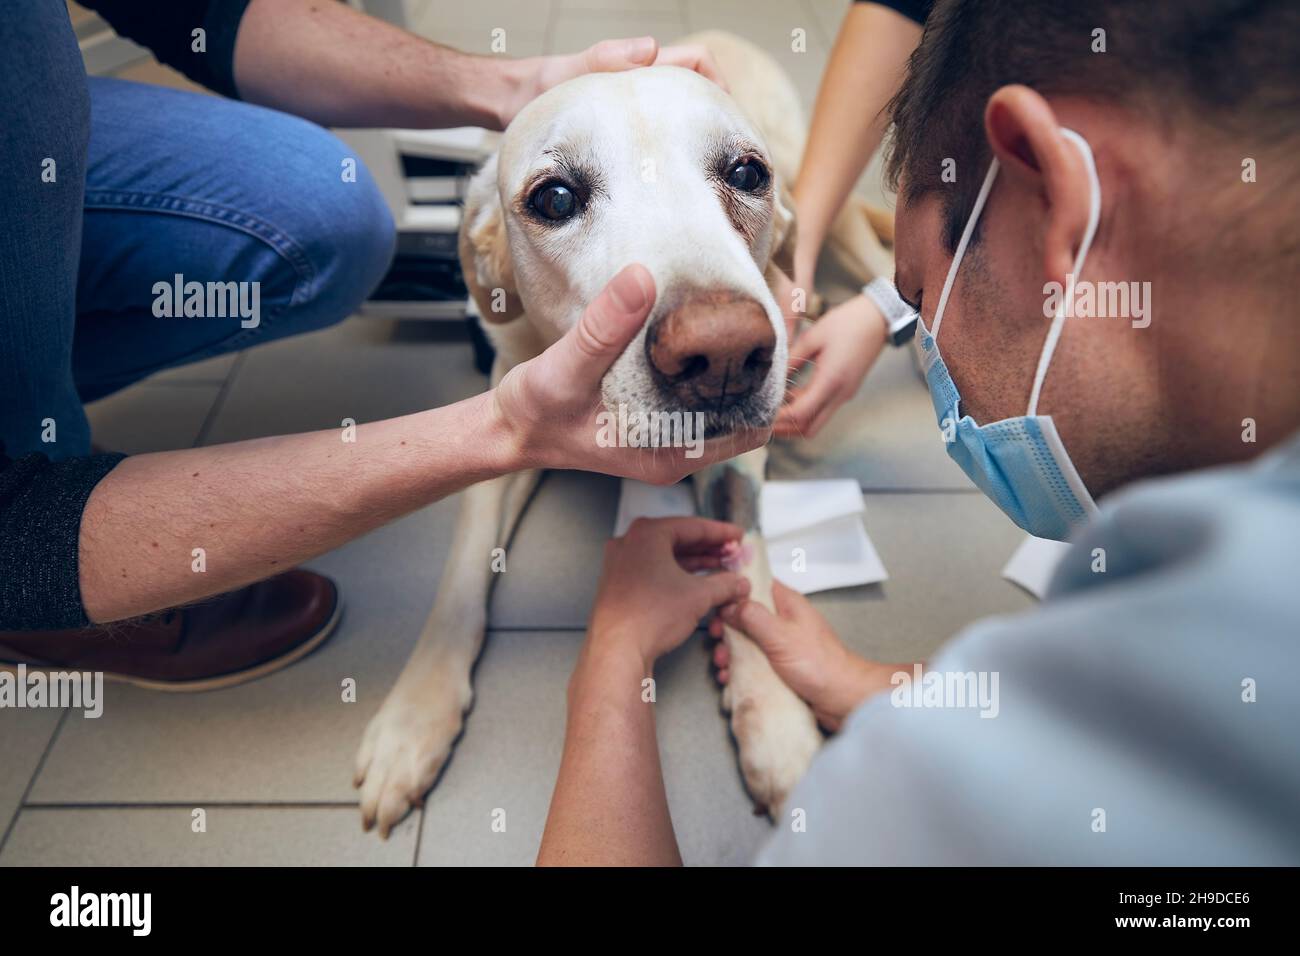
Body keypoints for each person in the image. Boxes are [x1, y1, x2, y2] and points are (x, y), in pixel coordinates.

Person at [538, 0, 1300, 865]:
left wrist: (613, 652)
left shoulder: (925, 799)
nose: (924, 352)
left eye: (917, 300)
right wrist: (868, 685)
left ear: (1057, 200)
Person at [0, 0, 747, 685]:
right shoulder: (497, 266)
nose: (717, 346)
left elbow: (203, 10)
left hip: (33, 101)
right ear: (487, 250)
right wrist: (503, 428)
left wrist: (522, 81)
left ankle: (34, 374)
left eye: (745, 174)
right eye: (557, 199)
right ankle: (49, 548)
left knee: (332, 209)